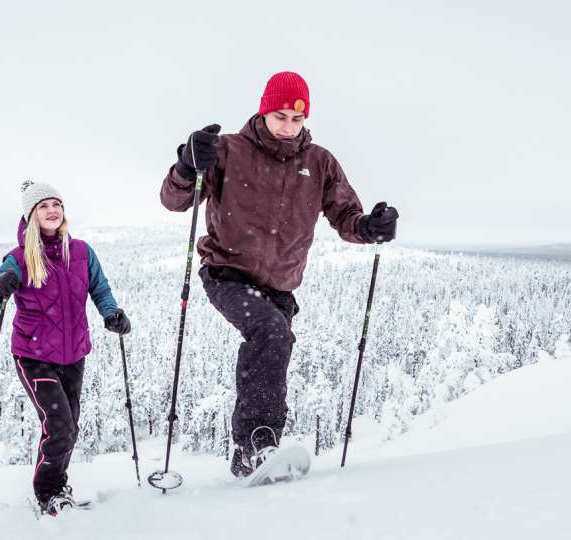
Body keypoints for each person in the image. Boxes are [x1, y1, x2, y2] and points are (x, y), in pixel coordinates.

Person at [159, 71, 399, 478]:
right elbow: (175, 200)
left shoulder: (319, 161)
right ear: (264, 111)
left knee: (277, 345)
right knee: (271, 333)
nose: (288, 127)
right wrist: (186, 166)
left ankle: (249, 456)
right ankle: (258, 445)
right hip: (227, 273)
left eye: (297, 119)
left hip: (281, 286)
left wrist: (370, 227)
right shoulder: (228, 150)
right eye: (281, 116)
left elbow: (345, 215)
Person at [0, 180, 131, 515]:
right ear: (31, 215)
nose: (52, 210)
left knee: (70, 427)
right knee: (59, 424)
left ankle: (58, 484)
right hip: (32, 356)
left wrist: (111, 314)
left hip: (73, 353)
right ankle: (48, 493)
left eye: (56, 204)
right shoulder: (18, 259)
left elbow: (100, 289)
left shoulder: (81, 252)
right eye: (43, 205)